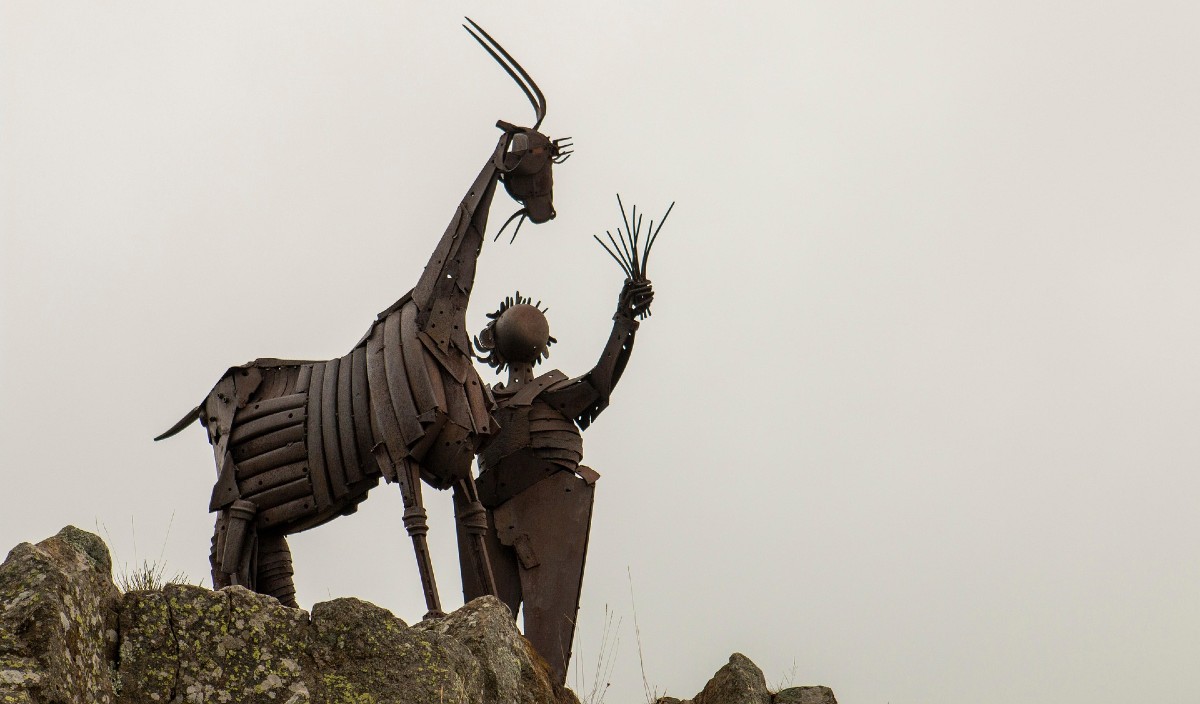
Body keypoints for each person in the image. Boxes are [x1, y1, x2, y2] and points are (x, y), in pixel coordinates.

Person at [456, 278, 653, 684]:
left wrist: (624, 321)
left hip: (552, 497)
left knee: (548, 642)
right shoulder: (482, 400)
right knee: (485, 634)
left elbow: (597, 382)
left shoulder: (550, 390)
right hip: (490, 508)